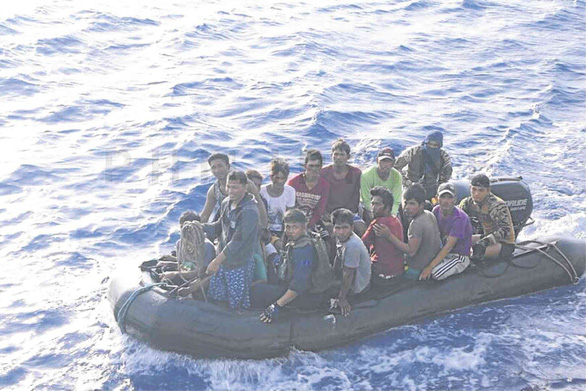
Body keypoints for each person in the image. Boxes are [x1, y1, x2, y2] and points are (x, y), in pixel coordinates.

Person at [203, 170, 259, 310]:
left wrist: (216, 261)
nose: (230, 191)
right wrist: (201, 227)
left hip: (239, 263)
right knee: (216, 294)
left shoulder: (249, 211)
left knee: (237, 301)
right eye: (228, 186)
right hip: (223, 260)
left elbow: (237, 241)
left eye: (235, 187)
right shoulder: (226, 202)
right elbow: (220, 226)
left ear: (245, 187)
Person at [256, 209, 318, 323]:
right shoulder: (296, 239)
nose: (290, 231)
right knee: (272, 258)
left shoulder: (303, 250)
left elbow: (298, 286)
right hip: (288, 279)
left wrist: (276, 306)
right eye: (288, 227)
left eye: (295, 227)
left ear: (304, 227)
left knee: (258, 292)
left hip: (303, 295)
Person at [383, 184, 442, 280]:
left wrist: (389, 235)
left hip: (417, 268)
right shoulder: (429, 214)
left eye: (412, 204)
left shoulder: (416, 224)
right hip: (432, 259)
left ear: (421, 205)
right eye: (405, 203)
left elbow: (411, 251)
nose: (407, 207)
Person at [420, 183, 473, 281]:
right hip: (441, 250)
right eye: (443, 197)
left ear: (455, 200)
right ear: (437, 198)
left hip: (458, 255)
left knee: (436, 273)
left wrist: (430, 267)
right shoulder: (436, 210)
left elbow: (449, 246)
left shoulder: (459, 218)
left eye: (449, 198)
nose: (446, 201)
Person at [459, 174, 516, 261]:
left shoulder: (497, 205)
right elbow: (457, 218)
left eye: (481, 190)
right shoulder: (467, 203)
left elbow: (505, 230)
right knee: (458, 245)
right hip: (485, 236)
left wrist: (485, 242)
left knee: (474, 253)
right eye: (473, 189)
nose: (476, 193)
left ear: (488, 190)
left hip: (503, 242)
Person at [330, 208, 371, 316]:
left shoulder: (352, 245)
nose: (341, 232)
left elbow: (348, 274)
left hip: (358, 285)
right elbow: (338, 258)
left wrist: (342, 298)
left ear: (352, 228)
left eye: (345, 228)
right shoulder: (340, 237)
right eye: (337, 228)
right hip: (348, 275)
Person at [321, 139, 366, 235]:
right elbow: (320, 196)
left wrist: (346, 217)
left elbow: (355, 198)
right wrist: (326, 214)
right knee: (330, 233)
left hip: (349, 214)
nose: (338, 157)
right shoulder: (323, 173)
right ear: (331, 155)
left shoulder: (355, 173)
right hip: (328, 214)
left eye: (342, 155)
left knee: (361, 228)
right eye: (336, 154)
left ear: (348, 157)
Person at [361, 187, 404, 286]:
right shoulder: (396, 220)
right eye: (372, 204)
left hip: (382, 274)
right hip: (398, 271)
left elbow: (362, 244)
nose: (373, 208)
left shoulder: (378, 223)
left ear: (387, 207)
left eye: (377, 204)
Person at [394, 131, 452, 200]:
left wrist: (437, 191)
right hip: (410, 187)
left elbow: (445, 178)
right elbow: (396, 168)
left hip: (431, 189)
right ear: (425, 142)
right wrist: (406, 181)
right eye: (430, 144)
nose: (432, 147)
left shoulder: (444, 157)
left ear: (440, 145)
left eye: (435, 145)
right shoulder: (413, 152)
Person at [157, 211, 215, 277]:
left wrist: (175, 274)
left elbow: (204, 272)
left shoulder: (207, 246)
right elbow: (184, 265)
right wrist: (170, 264)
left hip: (199, 279)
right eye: (182, 227)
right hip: (186, 273)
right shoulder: (180, 244)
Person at [287, 149, 330, 230]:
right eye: (311, 166)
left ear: (321, 167)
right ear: (305, 166)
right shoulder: (293, 183)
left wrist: (309, 224)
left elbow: (320, 210)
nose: (314, 169)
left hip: (314, 221)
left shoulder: (324, 185)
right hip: (294, 221)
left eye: (317, 166)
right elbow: (289, 208)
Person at [360, 147, 402, 219]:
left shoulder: (397, 176)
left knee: (397, 218)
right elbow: (366, 201)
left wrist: (392, 216)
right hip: (371, 207)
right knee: (369, 216)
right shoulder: (366, 175)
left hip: (387, 207)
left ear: (393, 163)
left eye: (388, 161)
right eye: (383, 161)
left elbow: (396, 201)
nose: (385, 165)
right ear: (377, 161)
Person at [260, 158, 296, 239]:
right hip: (265, 231)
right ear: (271, 177)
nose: (280, 181)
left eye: (283, 178)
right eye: (277, 178)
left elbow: (289, 216)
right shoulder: (262, 191)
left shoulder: (290, 191)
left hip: (283, 231)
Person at [200, 153, 230, 223]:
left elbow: (259, 204)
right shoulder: (214, 190)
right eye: (213, 167)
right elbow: (205, 216)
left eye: (220, 166)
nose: (217, 170)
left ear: (228, 166)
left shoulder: (244, 183)